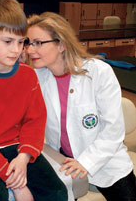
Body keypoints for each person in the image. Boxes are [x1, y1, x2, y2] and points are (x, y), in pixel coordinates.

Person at [22, 11, 136, 201]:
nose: (29, 50)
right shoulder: (36, 78)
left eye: (38, 43)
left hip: (107, 162)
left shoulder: (98, 73)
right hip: (63, 162)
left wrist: (85, 162)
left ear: (61, 44)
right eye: (28, 43)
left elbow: (113, 131)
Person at [0, 0, 68, 201]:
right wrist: (15, 182)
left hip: (17, 148)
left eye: (21, 42)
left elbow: (35, 120)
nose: (17, 50)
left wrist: (24, 157)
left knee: (57, 192)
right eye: (8, 41)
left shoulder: (28, 75)